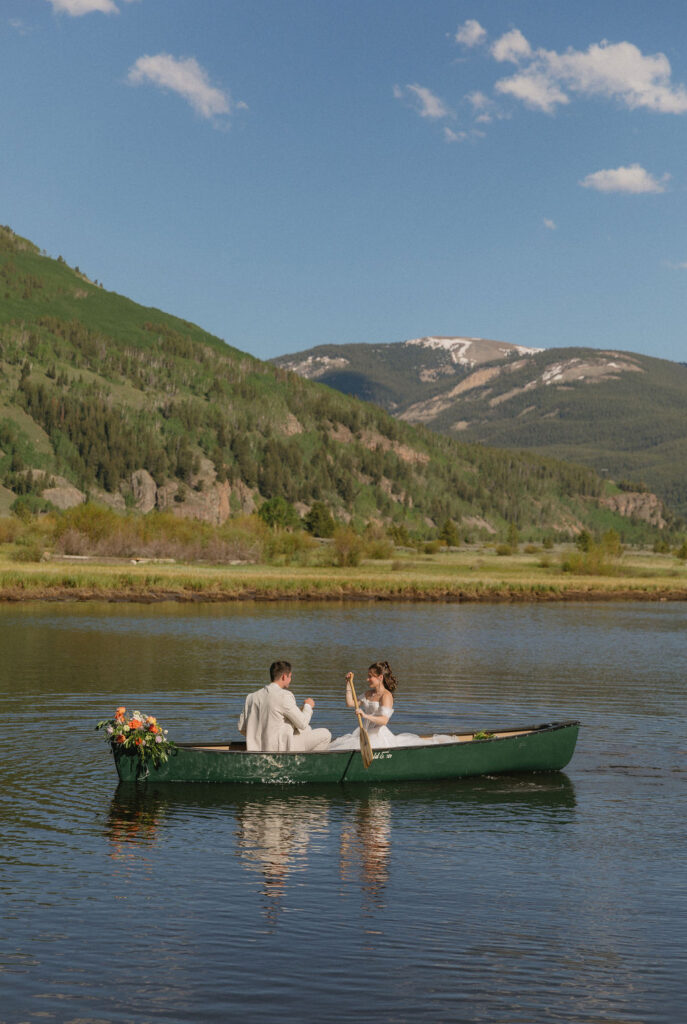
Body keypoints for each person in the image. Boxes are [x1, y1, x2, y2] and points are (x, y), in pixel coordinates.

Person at [328, 660, 454, 750]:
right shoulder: (368, 693)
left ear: (380, 677)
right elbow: (350, 703)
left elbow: (384, 720)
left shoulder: (386, 696)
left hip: (379, 736)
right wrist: (349, 684)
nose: (367, 679)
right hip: (364, 734)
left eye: (370, 676)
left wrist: (365, 715)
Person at [238, 660, 332, 753]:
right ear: (284, 676)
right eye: (290, 676)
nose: (290, 680)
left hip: (256, 749)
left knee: (308, 729)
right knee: (325, 734)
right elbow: (302, 723)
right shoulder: (284, 696)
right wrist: (308, 706)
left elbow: (241, 728)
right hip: (280, 750)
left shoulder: (251, 697)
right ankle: (305, 763)